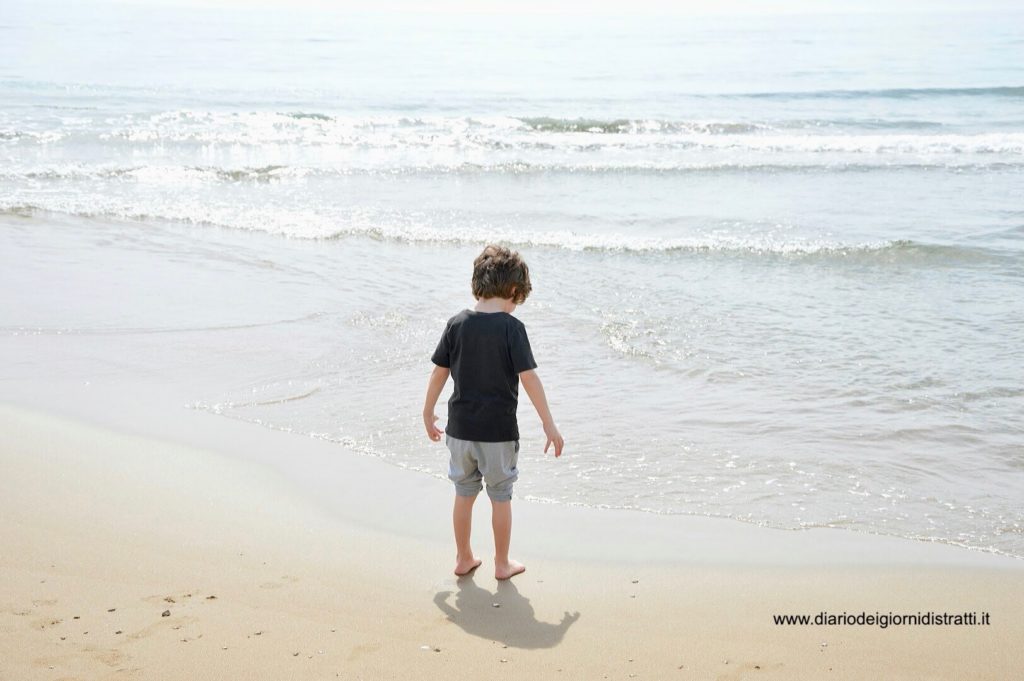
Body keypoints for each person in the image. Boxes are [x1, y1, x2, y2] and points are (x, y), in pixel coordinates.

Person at [423, 244, 564, 580]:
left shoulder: (456, 323)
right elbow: (529, 378)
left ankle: (463, 558)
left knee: (464, 494)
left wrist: (427, 411)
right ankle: (501, 564)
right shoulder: (511, 328)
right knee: (501, 497)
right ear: (514, 291)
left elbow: (438, 371)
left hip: (459, 431)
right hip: (498, 434)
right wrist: (549, 423)